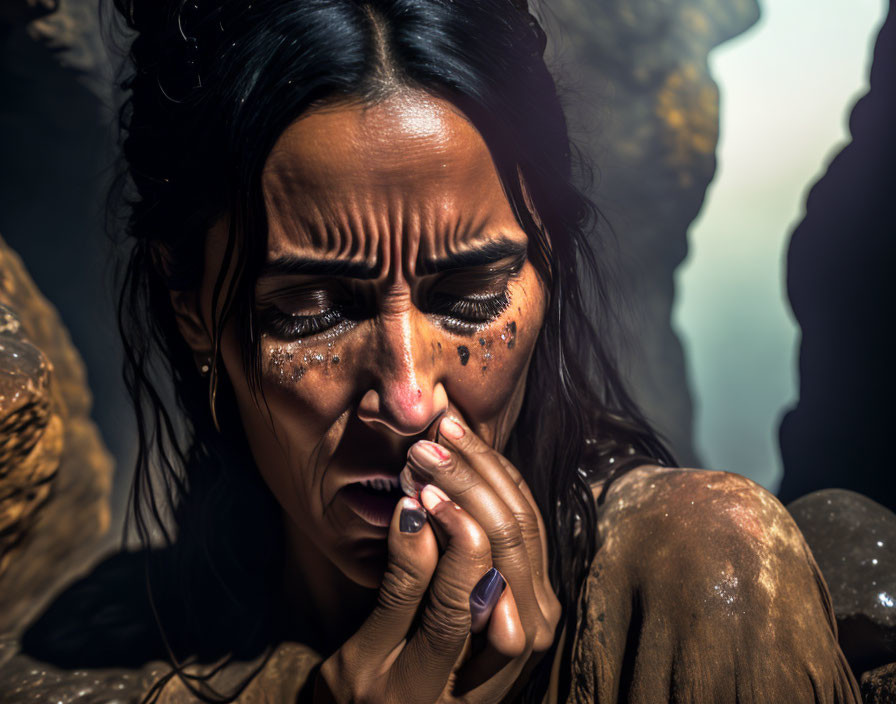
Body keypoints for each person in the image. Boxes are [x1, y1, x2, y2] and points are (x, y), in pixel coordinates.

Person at [44, 0, 857, 701]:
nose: (408, 398)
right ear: (191, 310)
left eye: (469, 299)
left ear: (548, 271)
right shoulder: (101, 652)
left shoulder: (700, 576)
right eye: (313, 309)